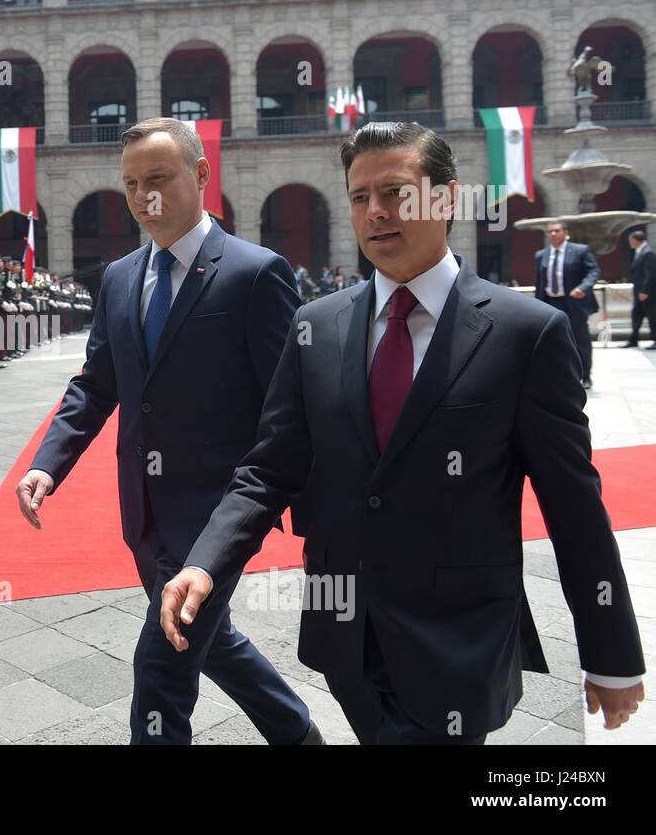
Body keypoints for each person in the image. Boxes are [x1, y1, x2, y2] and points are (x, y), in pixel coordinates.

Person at [161, 122, 646, 744]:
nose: (376, 212)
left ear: (445, 198)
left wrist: (611, 653)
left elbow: (573, 505)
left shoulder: (527, 333)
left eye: (395, 192)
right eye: (360, 196)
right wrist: (205, 563)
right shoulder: (317, 328)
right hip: (346, 634)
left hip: (460, 639)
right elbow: (271, 468)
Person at [15, 117, 316, 746]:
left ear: (201, 174)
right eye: (130, 184)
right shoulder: (122, 277)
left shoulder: (255, 273)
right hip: (144, 511)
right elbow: (97, 383)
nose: (143, 196)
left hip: (217, 517)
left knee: (160, 670)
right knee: (212, 640)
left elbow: (287, 406)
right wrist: (48, 463)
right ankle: (296, 732)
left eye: (158, 177)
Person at [534, 222, 600, 389]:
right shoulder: (542, 254)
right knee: (550, 340)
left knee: (580, 340)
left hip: (573, 303)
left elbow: (594, 271)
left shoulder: (580, 250)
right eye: (550, 232)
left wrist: (583, 287)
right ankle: (557, 374)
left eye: (557, 231)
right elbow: (540, 282)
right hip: (550, 302)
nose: (553, 234)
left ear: (565, 233)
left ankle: (585, 376)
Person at [625, 229, 655, 349]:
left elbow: (651, 274)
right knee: (636, 316)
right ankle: (633, 339)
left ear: (635, 240)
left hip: (648, 294)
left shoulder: (648, 253)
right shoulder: (639, 252)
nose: (630, 243)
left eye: (630, 241)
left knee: (653, 317)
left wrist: (645, 291)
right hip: (639, 293)